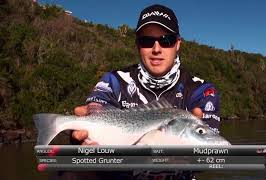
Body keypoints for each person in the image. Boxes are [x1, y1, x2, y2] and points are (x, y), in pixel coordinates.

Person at [71, 4, 221, 180]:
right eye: (147, 41)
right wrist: (89, 124)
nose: (156, 49)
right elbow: (98, 107)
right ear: (137, 45)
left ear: (178, 44)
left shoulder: (201, 90)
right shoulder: (114, 80)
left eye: (166, 40)